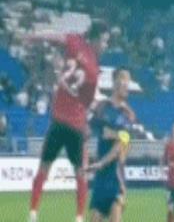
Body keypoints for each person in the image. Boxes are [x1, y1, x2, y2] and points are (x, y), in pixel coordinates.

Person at [28, 20, 109, 222]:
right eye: (104, 41)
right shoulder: (93, 69)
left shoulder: (74, 41)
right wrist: (88, 122)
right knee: (80, 175)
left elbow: (54, 36)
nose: (105, 46)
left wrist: (34, 35)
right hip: (75, 127)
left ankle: (33, 214)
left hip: (59, 122)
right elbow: (88, 103)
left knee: (43, 169)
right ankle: (79, 218)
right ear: (95, 39)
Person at [88, 68, 135, 222]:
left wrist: (114, 134)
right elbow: (89, 130)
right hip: (101, 176)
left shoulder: (127, 113)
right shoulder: (102, 107)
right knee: (95, 218)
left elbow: (124, 142)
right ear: (114, 82)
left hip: (116, 175)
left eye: (128, 80)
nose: (127, 83)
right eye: (123, 78)